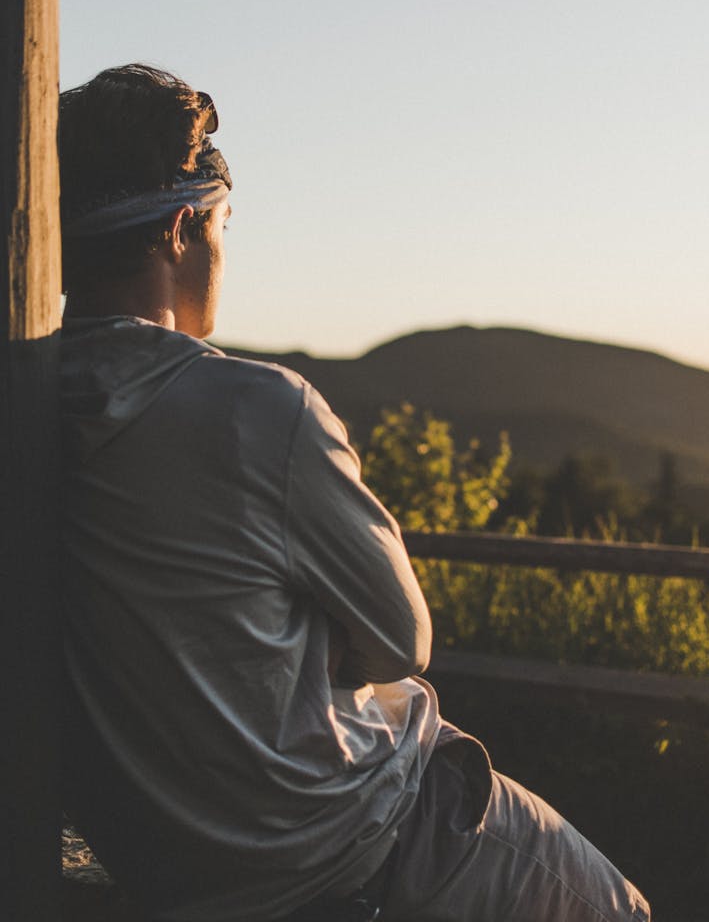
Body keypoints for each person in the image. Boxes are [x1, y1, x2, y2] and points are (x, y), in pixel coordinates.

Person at [59, 63, 651, 922]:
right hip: (368, 833)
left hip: (175, 868)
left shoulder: (34, 413)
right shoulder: (256, 410)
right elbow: (402, 641)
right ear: (183, 229)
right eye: (226, 224)